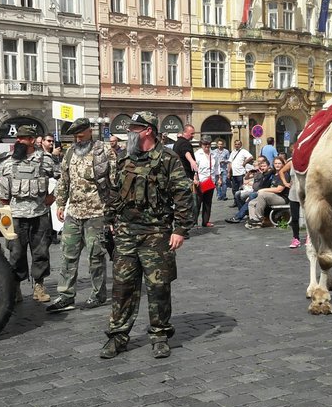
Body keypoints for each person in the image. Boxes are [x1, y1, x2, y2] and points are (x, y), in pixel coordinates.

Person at [100, 111, 193, 359]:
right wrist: (109, 219)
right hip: (126, 232)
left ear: (148, 130)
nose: (129, 132)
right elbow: (112, 191)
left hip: (156, 233)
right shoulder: (123, 158)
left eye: (134, 128)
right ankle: (117, 336)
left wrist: (180, 229)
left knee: (158, 286)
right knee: (122, 287)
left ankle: (160, 335)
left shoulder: (168, 159)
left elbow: (183, 195)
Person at [47, 118, 116, 313]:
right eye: (75, 135)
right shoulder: (70, 152)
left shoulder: (104, 151)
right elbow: (64, 180)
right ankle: (66, 296)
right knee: (68, 255)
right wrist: (60, 203)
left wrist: (112, 212)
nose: (78, 138)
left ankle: (98, 294)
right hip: (74, 212)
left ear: (89, 131)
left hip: (96, 212)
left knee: (96, 256)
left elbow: (114, 182)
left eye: (81, 133)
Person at [0, 126, 59, 304]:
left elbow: (64, 178)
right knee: (16, 254)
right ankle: (16, 287)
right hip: (16, 216)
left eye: (24, 138)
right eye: (19, 138)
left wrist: (53, 196)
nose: (20, 141)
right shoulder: (7, 161)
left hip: (39, 214)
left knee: (41, 253)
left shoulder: (45, 160)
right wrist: (3, 202)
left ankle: (39, 287)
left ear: (32, 140)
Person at [246, 157, 290, 229]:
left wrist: (263, 190)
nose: (277, 165)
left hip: (282, 197)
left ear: (283, 164)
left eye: (279, 163)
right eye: (275, 163)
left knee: (262, 194)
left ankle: (259, 218)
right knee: (251, 203)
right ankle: (254, 221)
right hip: (272, 196)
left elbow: (279, 190)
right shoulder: (274, 173)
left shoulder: (284, 174)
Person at [225, 157, 272, 224]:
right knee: (237, 194)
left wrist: (262, 174)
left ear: (268, 166)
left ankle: (238, 216)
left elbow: (263, 185)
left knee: (252, 195)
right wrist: (249, 173)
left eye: (264, 166)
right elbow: (247, 178)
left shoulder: (268, 174)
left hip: (261, 192)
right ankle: (243, 212)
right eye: (261, 166)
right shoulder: (258, 172)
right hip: (254, 190)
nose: (262, 167)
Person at [277, 155, 302, 248]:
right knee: (295, 218)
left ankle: (310, 237)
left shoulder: (310, 161)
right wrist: (285, 183)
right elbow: (281, 171)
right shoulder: (291, 162)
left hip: (306, 193)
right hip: (294, 193)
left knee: (309, 217)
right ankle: (296, 238)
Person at [193, 136, 216, 228]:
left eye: (209, 144)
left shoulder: (213, 154)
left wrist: (219, 178)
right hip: (200, 181)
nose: (207, 146)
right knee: (197, 202)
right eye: (205, 144)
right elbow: (194, 168)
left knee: (208, 202)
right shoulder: (197, 154)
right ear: (201, 145)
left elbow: (216, 167)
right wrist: (195, 179)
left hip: (210, 181)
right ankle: (194, 222)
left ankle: (205, 221)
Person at [228, 140, 254, 208]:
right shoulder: (233, 152)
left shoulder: (243, 151)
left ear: (241, 145)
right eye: (236, 144)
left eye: (238, 144)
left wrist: (245, 162)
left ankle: (241, 202)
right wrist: (229, 172)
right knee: (234, 189)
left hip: (241, 172)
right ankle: (235, 201)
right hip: (234, 173)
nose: (237, 145)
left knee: (241, 188)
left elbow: (251, 157)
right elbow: (230, 162)